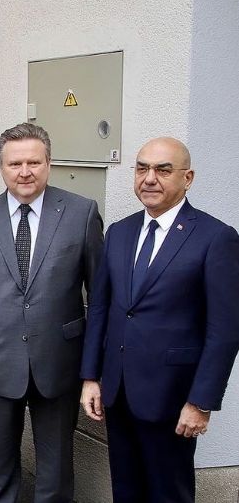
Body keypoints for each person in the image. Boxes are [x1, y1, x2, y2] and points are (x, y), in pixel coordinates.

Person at [80, 137, 239, 502]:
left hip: (173, 397)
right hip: (118, 393)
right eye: (142, 168)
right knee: (126, 489)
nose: (149, 178)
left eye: (163, 170)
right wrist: (91, 377)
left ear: (188, 178)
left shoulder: (216, 238)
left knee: (169, 493)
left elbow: (225, 330)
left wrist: (200, 402)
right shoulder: (119, 232)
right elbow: (101, 308)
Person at [0, 123, 103, 502]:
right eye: (14, 163)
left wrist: (92, 367)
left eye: (34, 162)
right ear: (1, 167)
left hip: (59, 360)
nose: (25, 172)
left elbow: (99, 295)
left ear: (49, 163)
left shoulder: (81, 213)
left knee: (55, 467)